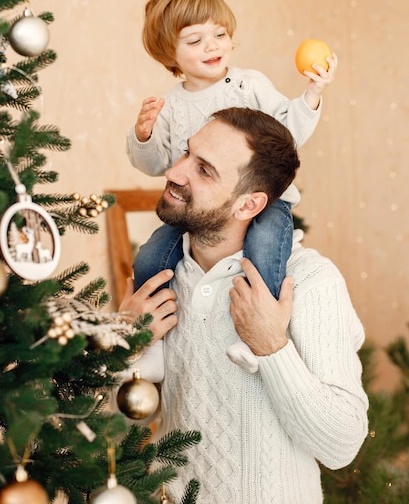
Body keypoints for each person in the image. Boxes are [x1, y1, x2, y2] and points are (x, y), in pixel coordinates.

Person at [120, 107, 368, 504]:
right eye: (186, 154)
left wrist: (271, 346)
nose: (174, 172)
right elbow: (115, 427)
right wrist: (124, 345)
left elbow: (341, 448)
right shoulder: (157, 279)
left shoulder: (310, 281)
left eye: (204, 170)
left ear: (248, 205)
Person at [126, 0, 338, 378]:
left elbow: (287, 131)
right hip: (197, 211)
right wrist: (144, 135)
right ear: (167, 52)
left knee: (265, 248)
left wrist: (312, 93)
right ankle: (150, 342)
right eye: (195, 40)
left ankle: (256, 337)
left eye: (220, 34)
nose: (212, 46)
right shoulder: (170, 106)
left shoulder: (249, 85)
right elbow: (156, 165)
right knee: (151, 257)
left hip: (269, 202)